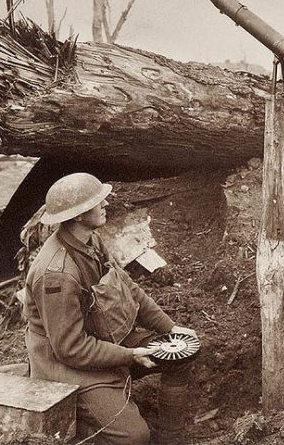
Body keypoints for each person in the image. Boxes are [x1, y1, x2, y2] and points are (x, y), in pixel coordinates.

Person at [24, 172, 196, 444]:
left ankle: (170, 440)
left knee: (180, 355)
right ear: (79, 215)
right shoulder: (56, 275)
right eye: (98, 201)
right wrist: (129, 355)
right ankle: (82, 433)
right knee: (134, 436)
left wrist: (171, 328)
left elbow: (128, 288)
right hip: (65, 365)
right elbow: (69, 348)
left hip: (103, 337)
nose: (106, 203)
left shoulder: (90, 240)